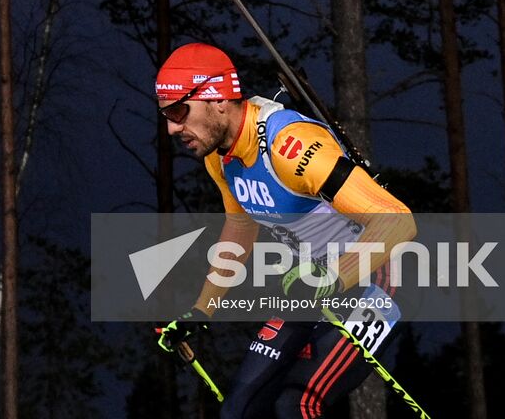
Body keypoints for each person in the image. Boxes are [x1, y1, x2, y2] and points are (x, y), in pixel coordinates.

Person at [153, 42, 416, 418]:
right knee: (238, 407)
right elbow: (240, 227)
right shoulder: (219, 157)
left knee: (296, 404)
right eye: (166, 114)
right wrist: (202, 310)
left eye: (179, 111)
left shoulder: (288, 147)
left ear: (218, 99)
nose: (172, 128)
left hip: (377, 277)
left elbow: (398, 219)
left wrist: (333, 278)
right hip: (312, 282)